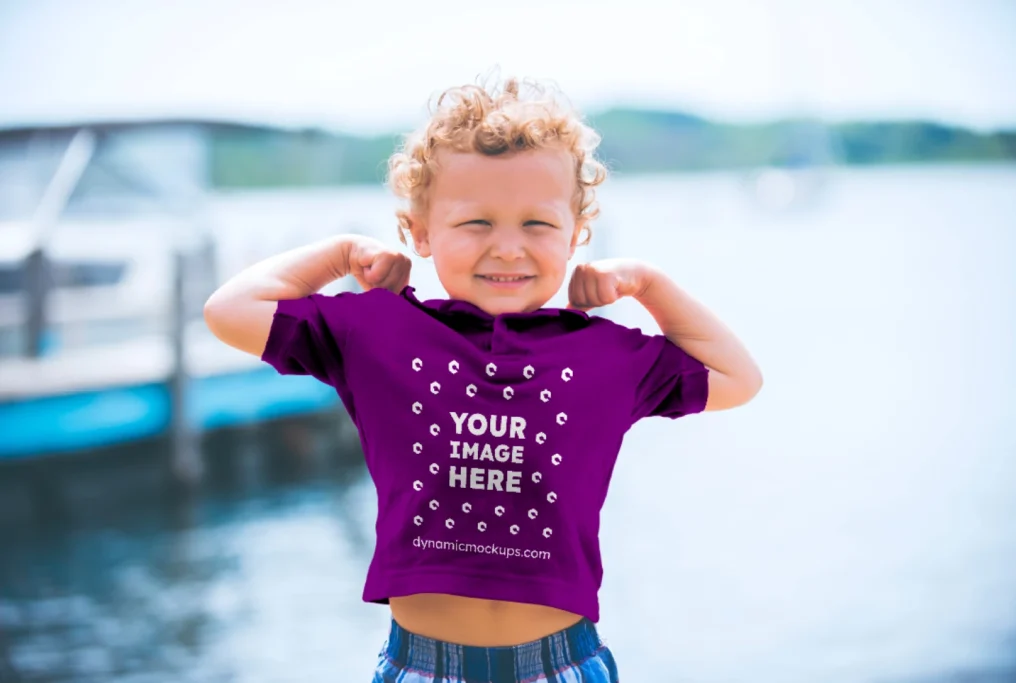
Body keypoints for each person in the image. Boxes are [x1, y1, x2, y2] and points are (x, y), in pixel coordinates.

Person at [204, 74, 763, 683]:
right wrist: (339, 255)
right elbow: (228, 312)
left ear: (576, 234)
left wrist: (648, 285)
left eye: (537, 225)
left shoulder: (606, 355)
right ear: (419, 232)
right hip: (421, 666)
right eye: (475, 223)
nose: (507, 248)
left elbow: (738, 378)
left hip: (561, 663)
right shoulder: (376, 333)